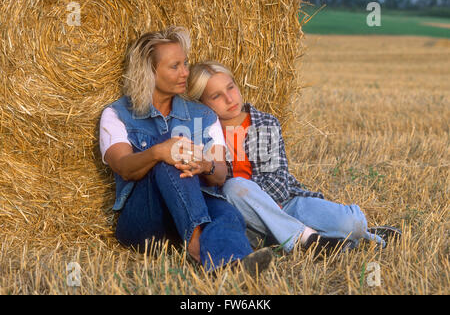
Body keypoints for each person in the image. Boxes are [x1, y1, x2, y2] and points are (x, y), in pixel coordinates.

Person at [99, 27, 273, 272]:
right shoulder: (117, 114)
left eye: (186, 63)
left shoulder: (203, 114)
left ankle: (232, 266)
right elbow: (124, 168)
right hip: (146, 222)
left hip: (197, 204)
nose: (185, 73)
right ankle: (197, 247)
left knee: (226, 212)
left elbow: (220, 174)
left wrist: (205, 165)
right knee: (168, 157)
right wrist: (158, 152)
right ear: (149, 71)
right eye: (175, 66)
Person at [186, 61, 401, 254]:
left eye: (230, 87)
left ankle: (348, 233)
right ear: (201, 104)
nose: (229, 98)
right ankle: (310, 238)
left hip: (287, 204)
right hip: (242, 214)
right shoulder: (202, 134)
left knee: (351, 223)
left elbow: (279, 185)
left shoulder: (264, 123)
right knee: (235, 187)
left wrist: (267, 209)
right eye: (216, 96)